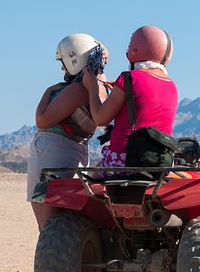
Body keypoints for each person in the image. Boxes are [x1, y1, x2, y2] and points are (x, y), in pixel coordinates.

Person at [27, 33, 110, 232]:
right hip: (76, 151)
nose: (63, 68)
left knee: (48, 226)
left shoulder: (77, 89)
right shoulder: (101, 86)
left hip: (52, 152)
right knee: (65, 219)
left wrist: (49, 90)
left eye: (64, 62)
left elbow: (42, 120)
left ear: (74, 60)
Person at [83, 25, 178, 168]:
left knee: (89, 179)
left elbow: (100, 119)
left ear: (134, 50)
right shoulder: (171, 85)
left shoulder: (128, 79)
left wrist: (92, 87)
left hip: (127, 160)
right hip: (158, 163)